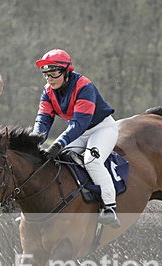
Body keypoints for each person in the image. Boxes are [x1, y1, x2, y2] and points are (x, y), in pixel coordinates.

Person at [32, 49, 121, 227]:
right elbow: (43, 120)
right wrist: (33, 142)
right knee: (58, 161)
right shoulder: (48, 91)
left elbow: (79, 123)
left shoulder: (84, 87)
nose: (49, 78)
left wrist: (59, 143)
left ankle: (110, 207)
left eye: (54, 73)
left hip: (101, 129)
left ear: (66, 71)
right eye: (46, 74)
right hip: (80, 131)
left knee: (91, 161)